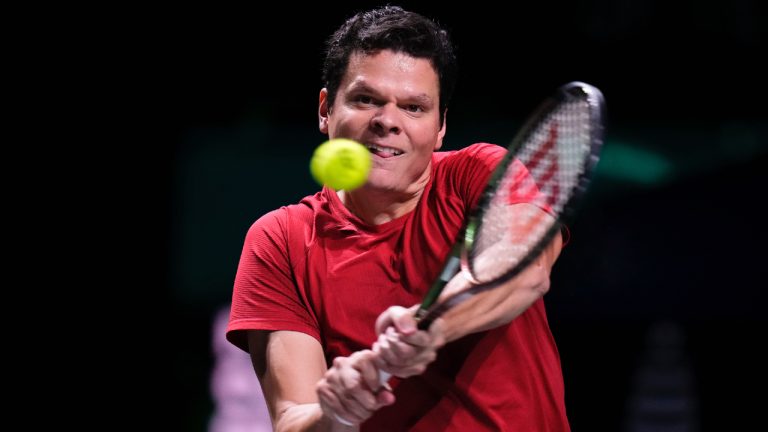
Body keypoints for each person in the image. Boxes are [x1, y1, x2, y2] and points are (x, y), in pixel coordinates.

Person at [227, 6, 569, 431]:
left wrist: (429, 327)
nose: (387, 122)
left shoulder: (479, 174)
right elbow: (292, 418)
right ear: (325, 109)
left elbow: (527, 268)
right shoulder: (281, 239)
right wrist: (335, 412)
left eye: (413, 107)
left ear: (441, 125)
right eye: (365, 99)